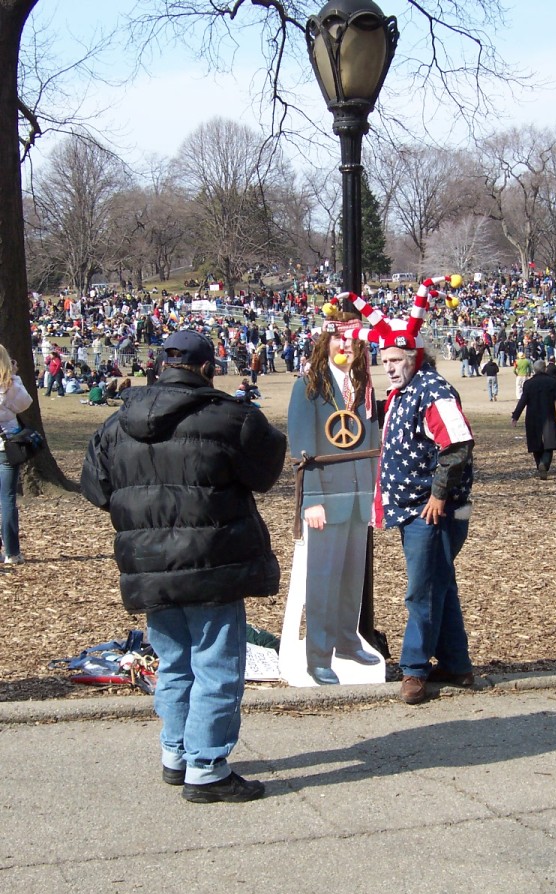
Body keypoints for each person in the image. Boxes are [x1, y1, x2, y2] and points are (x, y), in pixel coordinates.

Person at [81, 330, 286, 803]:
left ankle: (177, 754)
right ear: (207, 368)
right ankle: (206, 768)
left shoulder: (116, 424)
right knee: (215, 665)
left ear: (161, 366)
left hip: (149, 563)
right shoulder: (231, 417)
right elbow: (266, 471)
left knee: (175, 663)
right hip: (213, 562)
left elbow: (96, 489)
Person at [354, 278, 475, 705]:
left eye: (395, 359)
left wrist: (439, 495)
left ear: (414, 357)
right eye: (384, 360)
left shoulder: (433, 391)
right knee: (440, 584)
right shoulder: (404, 392)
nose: (388, 367)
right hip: (414, 509)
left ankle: (414, 669)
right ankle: (457, 664)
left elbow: (457, 445)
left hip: (433, 511)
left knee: (422, 590)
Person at [285, 312, 380, 686]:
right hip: (325, 498)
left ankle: (346, 640)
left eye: (352, 341)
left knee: (352, 575)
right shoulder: (309, 385)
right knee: (323, 579)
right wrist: (311, 498)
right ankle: (319, 655)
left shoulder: (364, 385)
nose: (346, 346)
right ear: (326, 343)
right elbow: (302, 445)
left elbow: (374, 441)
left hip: (359, 496)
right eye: (339, 339)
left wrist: (375, 494)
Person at [0, 346, 33, 565]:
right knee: (7, 498)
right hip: (6, 445)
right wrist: (14, 376)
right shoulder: (9, 385)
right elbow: (25, 403)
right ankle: (12, 551)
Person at [511, 359, 556, 480]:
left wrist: (515, 416)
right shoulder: (552, 382)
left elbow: (523, 401)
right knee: (550, 442)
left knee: (535, 442)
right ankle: (544, 464)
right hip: (549, 415)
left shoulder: (528, 384)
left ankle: (539, 465)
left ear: (534, 370)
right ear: (545, 368)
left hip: (532, 416)